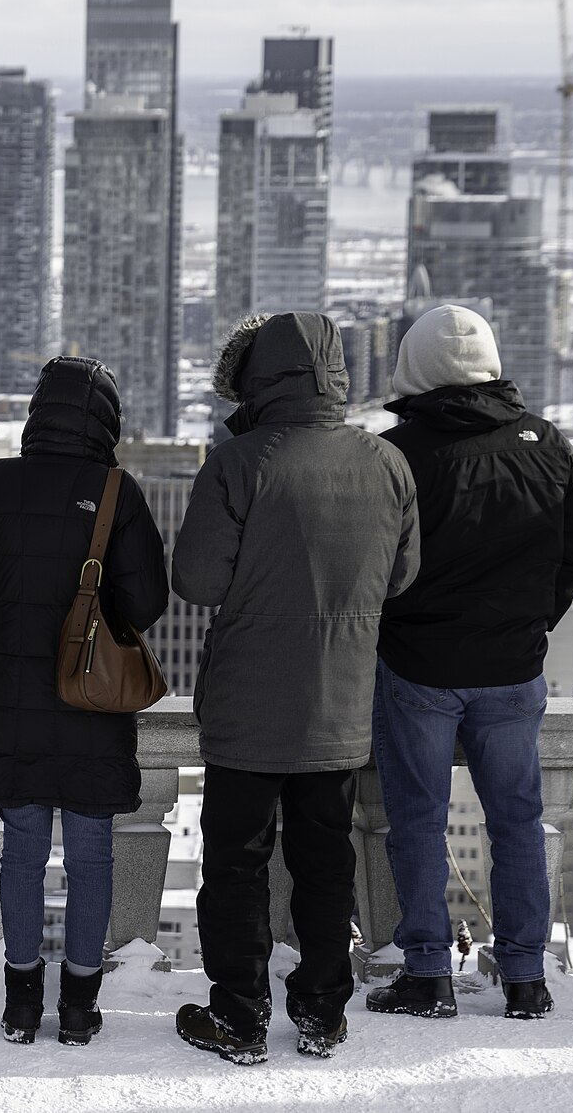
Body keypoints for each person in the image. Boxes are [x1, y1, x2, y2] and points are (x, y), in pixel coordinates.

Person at [172, 313, 419, 1064]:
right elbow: (402, 577)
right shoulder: (388, 463)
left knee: (236, 867)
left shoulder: (240, 462)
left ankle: (241, 1016)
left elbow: (195, 578)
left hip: (249, 705)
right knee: (324, 864)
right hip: (341, 705)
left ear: (255, 378)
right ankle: (322, 1011)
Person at [365, 305, 573, 1022]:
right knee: (519, 821)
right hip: (513, 666)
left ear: (416, 367)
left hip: (419, 666)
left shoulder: (395, 452)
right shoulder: (547, 444)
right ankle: (526, 977)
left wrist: (396, 627)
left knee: (418, 820)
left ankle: (427, 973)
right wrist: (532, 623)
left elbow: (373, 566)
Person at [0, 357, 169, 1046]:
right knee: (93, 852)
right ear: (107, 419)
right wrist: (91, 634)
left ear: (38, 412)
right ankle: (79, 1006)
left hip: (13, 693)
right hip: (93, 698)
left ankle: (19, 1002)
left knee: (21, 851)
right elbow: (150, 600)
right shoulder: (116, 492)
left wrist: (9, 619)